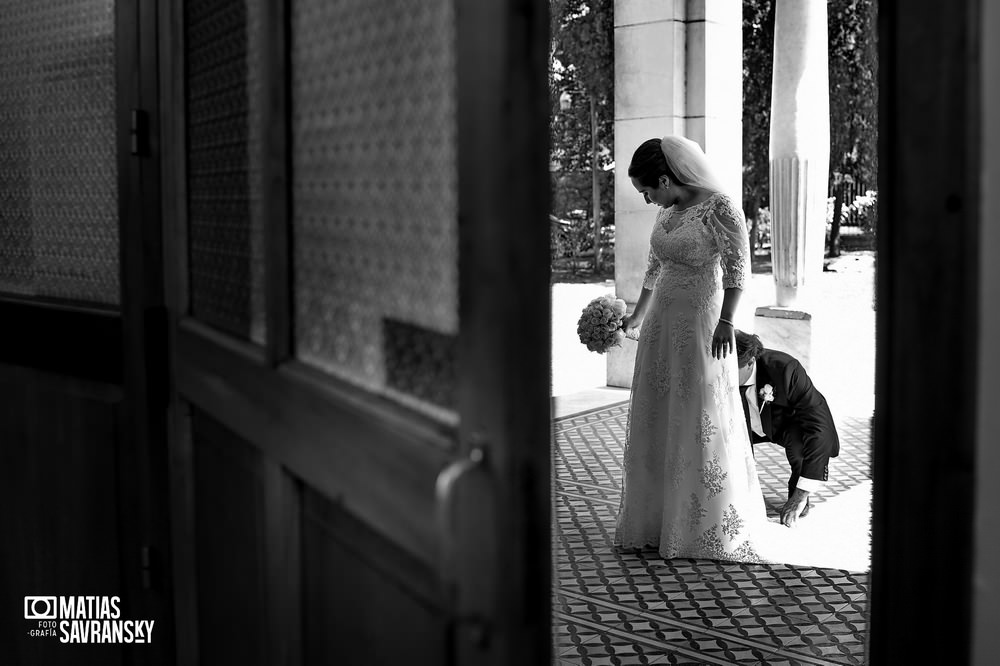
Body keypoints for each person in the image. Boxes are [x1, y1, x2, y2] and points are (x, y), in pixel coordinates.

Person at [613, 135, 770, 562]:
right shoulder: (667, 210)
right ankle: (657, 518)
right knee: (658, 409)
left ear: (666, 177)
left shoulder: (721, 207)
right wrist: (636, 316)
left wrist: (726, 323)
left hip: (702, 322)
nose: (647, 200)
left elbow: (739, 271)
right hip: (662, 322)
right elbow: (653, 268)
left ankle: (702, 523)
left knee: (698, 410)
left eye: (648, 190)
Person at [734, 331, 841, 527]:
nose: (722, 376)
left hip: (784, 425)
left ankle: (797, 494)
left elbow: (819, 424)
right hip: (739, 427)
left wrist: (802, 494)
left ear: (750, 362)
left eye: (730, 370)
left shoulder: (785, 370)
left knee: (802, 444)